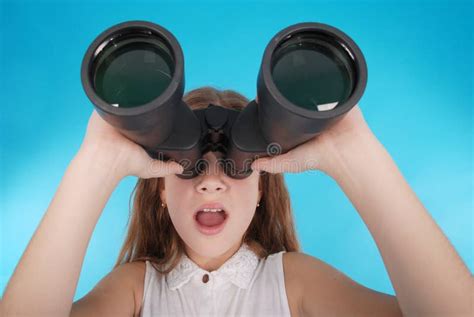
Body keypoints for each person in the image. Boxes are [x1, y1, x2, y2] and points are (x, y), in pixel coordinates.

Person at [1, 87, 471, 317]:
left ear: (263, 188)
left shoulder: (293, 281)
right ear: (159, 192)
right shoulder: (136, 288)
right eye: (188, 166)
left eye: (234, 165)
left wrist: (356, 156)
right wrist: (95, 163)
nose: (211, 183)